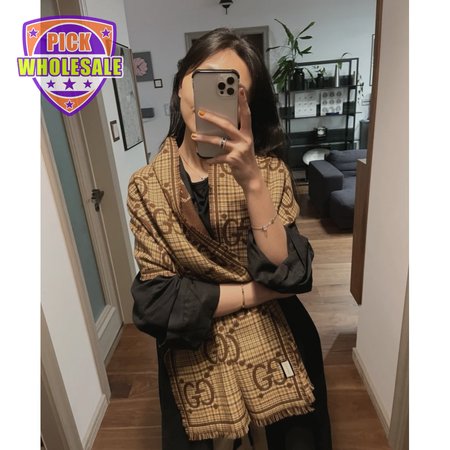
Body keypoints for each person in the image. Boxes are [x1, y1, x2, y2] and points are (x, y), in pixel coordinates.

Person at [127, 28, 332, 450]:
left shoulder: (269, 173)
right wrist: (257, 293)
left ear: (246, 104)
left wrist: (252, 181)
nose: (210, 99)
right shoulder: (146, 187)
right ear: (181, 84)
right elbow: (158, 303)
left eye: (230, 87)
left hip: (280, 338)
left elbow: (288, 272)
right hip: (192, 346)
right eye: (203, 79)